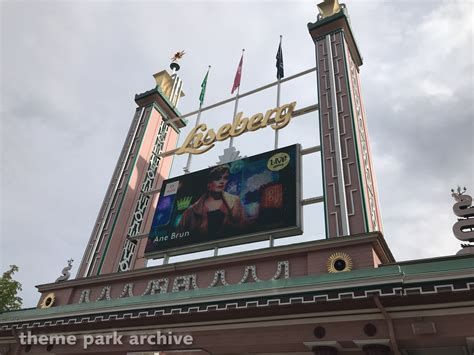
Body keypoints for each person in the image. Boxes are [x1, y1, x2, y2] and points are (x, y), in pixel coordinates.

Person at [178, 165, 245, 237]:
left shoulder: (235, 201)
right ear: (208, 183)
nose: (222, 181)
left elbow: (245, 227)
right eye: (217, 178)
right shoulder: (190, 212)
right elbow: (178, 237)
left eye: (225, 178)